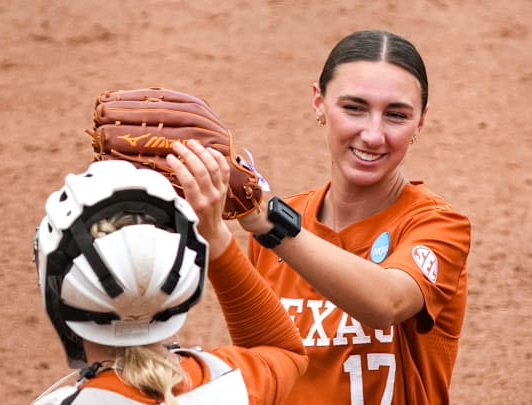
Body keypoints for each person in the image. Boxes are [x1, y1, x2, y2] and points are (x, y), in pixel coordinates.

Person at [167, 29, 471, 404]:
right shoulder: (279, 229)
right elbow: (264, 361)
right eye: (354, 108)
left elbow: (387, 304)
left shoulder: (438, 225)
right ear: (318, 103)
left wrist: (269, 222)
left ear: (421, 121)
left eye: (396, 115)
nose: (373, 135)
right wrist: (215, 238)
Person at [31, 159, 308, 405]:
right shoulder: (236, 383)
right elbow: (283, 349)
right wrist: (215, 238)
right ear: (184, 276)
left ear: (58, 287)